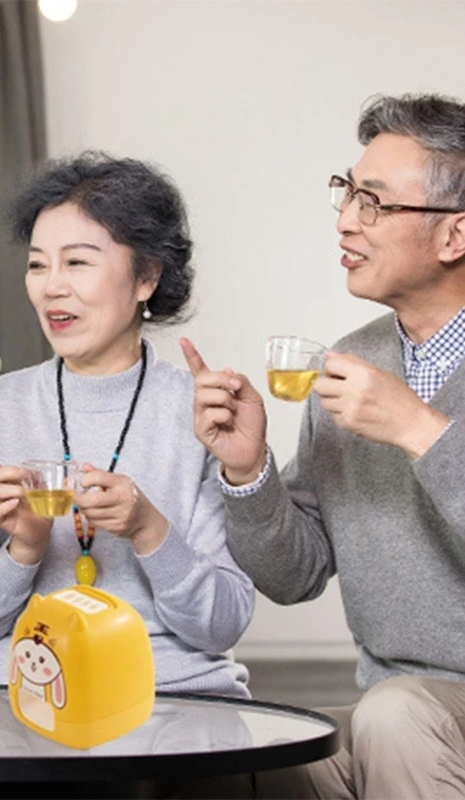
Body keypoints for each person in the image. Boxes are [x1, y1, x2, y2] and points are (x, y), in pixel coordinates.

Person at [183, 92, 465, 798]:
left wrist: (417, 429)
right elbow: (295, 575)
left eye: (375, 202)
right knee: (232, 755)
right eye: (347, 192)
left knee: (393, 718)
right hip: (394, 715)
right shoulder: (352, 362)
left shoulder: (379, 396)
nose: (345, 219)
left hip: (407, 719)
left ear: (454, 235)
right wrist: (248, 471)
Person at [0, 151, 254, 699]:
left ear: (147, 277)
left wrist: (149, 530)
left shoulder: (205, 416)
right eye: (37, 265)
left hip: (167, 697)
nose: (51, 287)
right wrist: (25, 549)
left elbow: (222, 624)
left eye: (77, 262)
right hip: (24, 696)